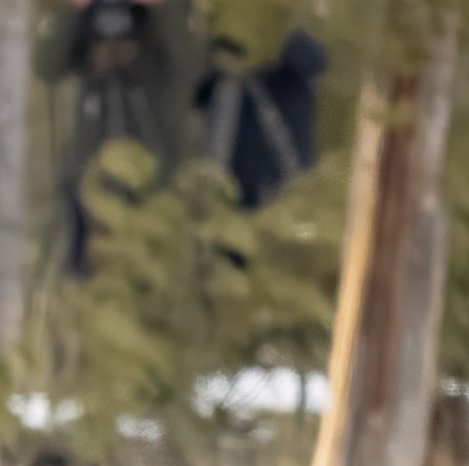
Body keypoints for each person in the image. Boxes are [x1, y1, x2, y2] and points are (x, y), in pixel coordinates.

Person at [34, 0, 204, 272]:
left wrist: (161, 8)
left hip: (158, 178)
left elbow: (193, 65)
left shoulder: (168, 12)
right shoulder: (87, 17)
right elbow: (46, 65)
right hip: (92, 180)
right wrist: (72, 10)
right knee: (90, 284)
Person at [198, 27, 327, 208]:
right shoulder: (301, 100)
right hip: (256, 188)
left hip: (229, 172)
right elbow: (306, 159)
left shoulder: (259, 80)